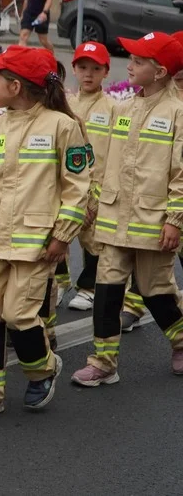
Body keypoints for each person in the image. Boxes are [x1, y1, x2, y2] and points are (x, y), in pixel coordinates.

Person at [0, 46, 89, 419]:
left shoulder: (62, 126)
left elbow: (76, 186)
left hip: (37, 243)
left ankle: (42, 370)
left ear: (15, 86)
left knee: (19, 315)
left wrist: (63, 235)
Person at [72, 32, 183, 386]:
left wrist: (175, 220)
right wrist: (92, 198)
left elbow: (180, 173)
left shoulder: (177, 113)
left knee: (155, 291)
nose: (130, 65)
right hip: (115, 215)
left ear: (161, 71)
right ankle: (103, 362)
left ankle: (181, 340)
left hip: (153, 220)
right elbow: (105, 161)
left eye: (138, 60)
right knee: (107, 288)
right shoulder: (124, 108)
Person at [64, 41, 115, 311]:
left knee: (93, 238)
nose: (88, 74)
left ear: (106, 72)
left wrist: (97, 194)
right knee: (57, 231)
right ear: (73, 68)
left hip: (96, 185)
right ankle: (61, 281)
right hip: (67, 183)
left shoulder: (112, 109)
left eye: (96, 68)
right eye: (82, 67)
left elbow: (112, 154)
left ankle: (89, 287)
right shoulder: (66, 104)